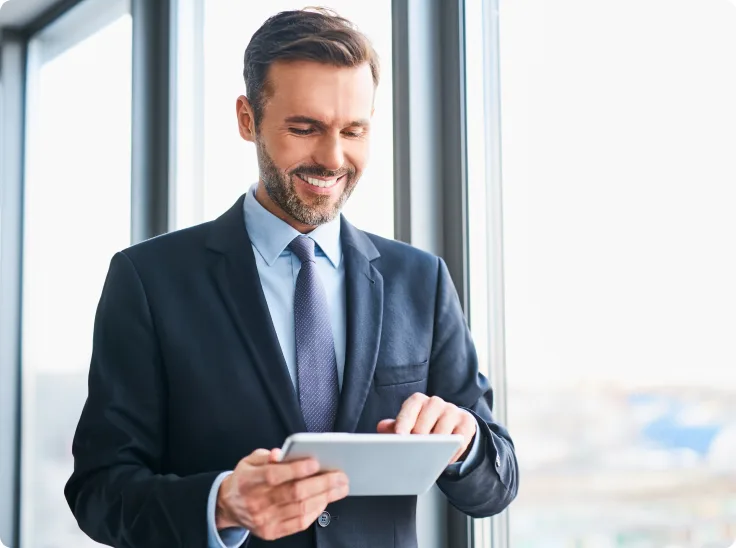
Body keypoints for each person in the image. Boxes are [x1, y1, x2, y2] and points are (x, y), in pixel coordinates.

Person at [65, 8, 518, 548]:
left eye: (353, 130)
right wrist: (223, 504)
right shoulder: (148, 280)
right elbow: (99, 490)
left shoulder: (420, 279)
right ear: (247, 119)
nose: (331, 157)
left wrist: (464, 442)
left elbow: (496, 484)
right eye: (304, 128)